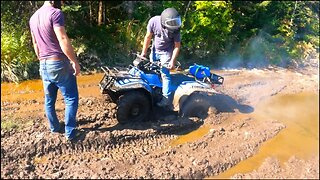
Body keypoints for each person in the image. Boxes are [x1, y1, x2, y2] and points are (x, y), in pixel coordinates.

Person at [29, 1, 82, 141]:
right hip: (58, 62)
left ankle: (54, 128)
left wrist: (42, 60)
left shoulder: (33, 17)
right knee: (71, 98)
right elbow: (62, 38)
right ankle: (70, 133)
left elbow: (35, 43)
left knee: (49, 100)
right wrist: (74, 61)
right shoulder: (55, 13)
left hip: (43, 63)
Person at [140, 7, 182, 108]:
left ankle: (166, 99)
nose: (174, 26)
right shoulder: (154, 21)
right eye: (172, 23)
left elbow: (177, 46)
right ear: (164, 22)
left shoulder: (176, 30)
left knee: (165, 74)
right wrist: (143, 53)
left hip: (167, 52)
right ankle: (154, 91)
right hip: (155, 50)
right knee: (151, 70)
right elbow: (148, 37)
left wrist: (172, 61)